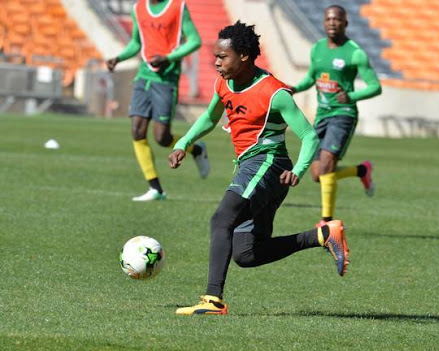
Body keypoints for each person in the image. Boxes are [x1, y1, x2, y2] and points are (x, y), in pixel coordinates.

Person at [168, 21, 350, 315]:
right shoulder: (223, 84)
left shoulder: (274, 92)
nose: (216, 62)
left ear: (244, 56)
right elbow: (210, 118)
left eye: (222, 57)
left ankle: (213, 300)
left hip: (268, 164)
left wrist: (300, 170)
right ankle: (323, 235)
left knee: (221, 219)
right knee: (247, 253)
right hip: (253, 167)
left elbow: (309, 136)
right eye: (215, 56)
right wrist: (183, 143)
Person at [105, 0, 210, 202]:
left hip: (166, 79)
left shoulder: (177, 7)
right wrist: (118, 58)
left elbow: (195, 40)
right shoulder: (138, 8)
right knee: (137, 130)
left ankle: (197, 149)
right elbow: (137, 42)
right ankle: (156, 189)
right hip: (144, 76)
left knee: (162, 138)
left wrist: (168, 58)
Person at [290, 5, 382, 226]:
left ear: (346, 23)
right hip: (322, 115)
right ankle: (361, 170)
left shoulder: (354, 52)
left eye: (337, 19)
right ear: (324, 22)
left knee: (326, 166)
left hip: (343, 114)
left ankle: (326, 221)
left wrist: (350, 95)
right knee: (316, 174)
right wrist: (294, 88)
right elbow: (312, 77)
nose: (332, 22)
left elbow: (375, 87)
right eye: (329, 19)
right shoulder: (318, 48)